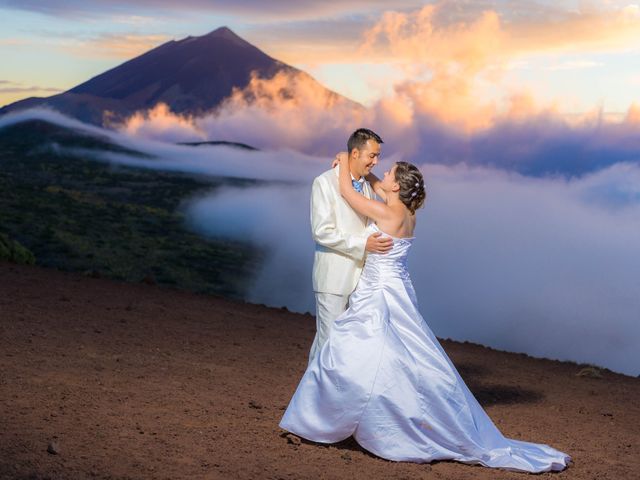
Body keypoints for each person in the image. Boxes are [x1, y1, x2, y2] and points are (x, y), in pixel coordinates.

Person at [279, 153, 571, 473]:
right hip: (398, 287)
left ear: (396, 186)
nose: (383, 174)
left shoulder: (384, 212)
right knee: (404, 350)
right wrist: (367, 170)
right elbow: (378, 188)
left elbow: (348, 193)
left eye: (388, 173)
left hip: (378, 291)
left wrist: (346, 164)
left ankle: (332, 418)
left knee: (354, 347)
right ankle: (364, 412)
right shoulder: (406, 213)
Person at [307, 128, 392, 365]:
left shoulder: (366, 186)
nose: (375, 162)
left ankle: (314, 395)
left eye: (377, 156)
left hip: (362, 280)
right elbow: (321, 231)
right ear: (355, 153)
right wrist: (364, 244)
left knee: (344, 344)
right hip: (333, 278)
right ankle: (313, 398)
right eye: (372, 156)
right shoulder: (324, 183)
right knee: (328, 343)